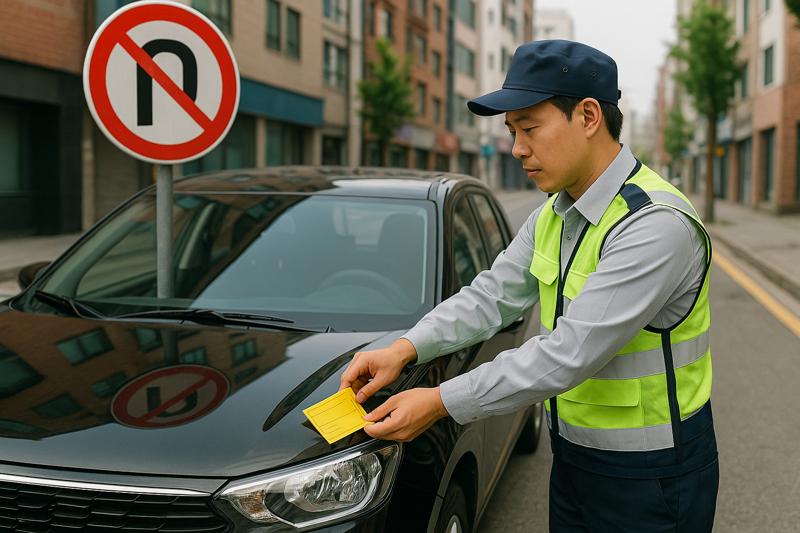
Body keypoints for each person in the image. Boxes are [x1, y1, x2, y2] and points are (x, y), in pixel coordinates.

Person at [339, 39, 718, 532]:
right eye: (512, 131)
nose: (517, 148)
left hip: (653, 476)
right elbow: (491, 295)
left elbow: (568, 353)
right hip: (575, 461)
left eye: (529, 128)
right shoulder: (554, 212)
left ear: (587, 117)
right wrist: (406, 348)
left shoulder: (654, 224)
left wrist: (440, 402)